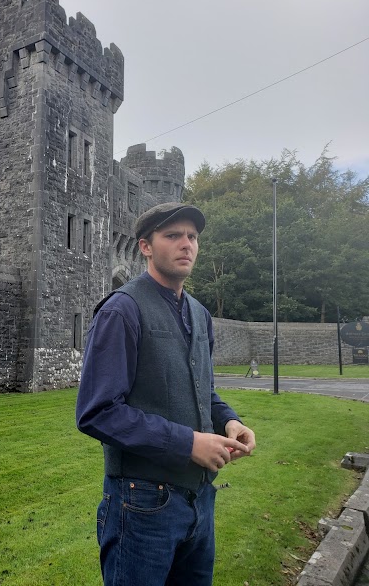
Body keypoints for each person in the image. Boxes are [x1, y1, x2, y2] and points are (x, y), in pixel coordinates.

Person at [76, 202, 256, 586]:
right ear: (145, 246)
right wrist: (187, 442)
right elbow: (98, 411)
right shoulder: (122, 310)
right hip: (141, 506)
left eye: (192, 237)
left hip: (201, 501)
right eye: (173, 235)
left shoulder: (200, 313)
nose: (186, 244)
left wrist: (230, 421)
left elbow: (203, 390)